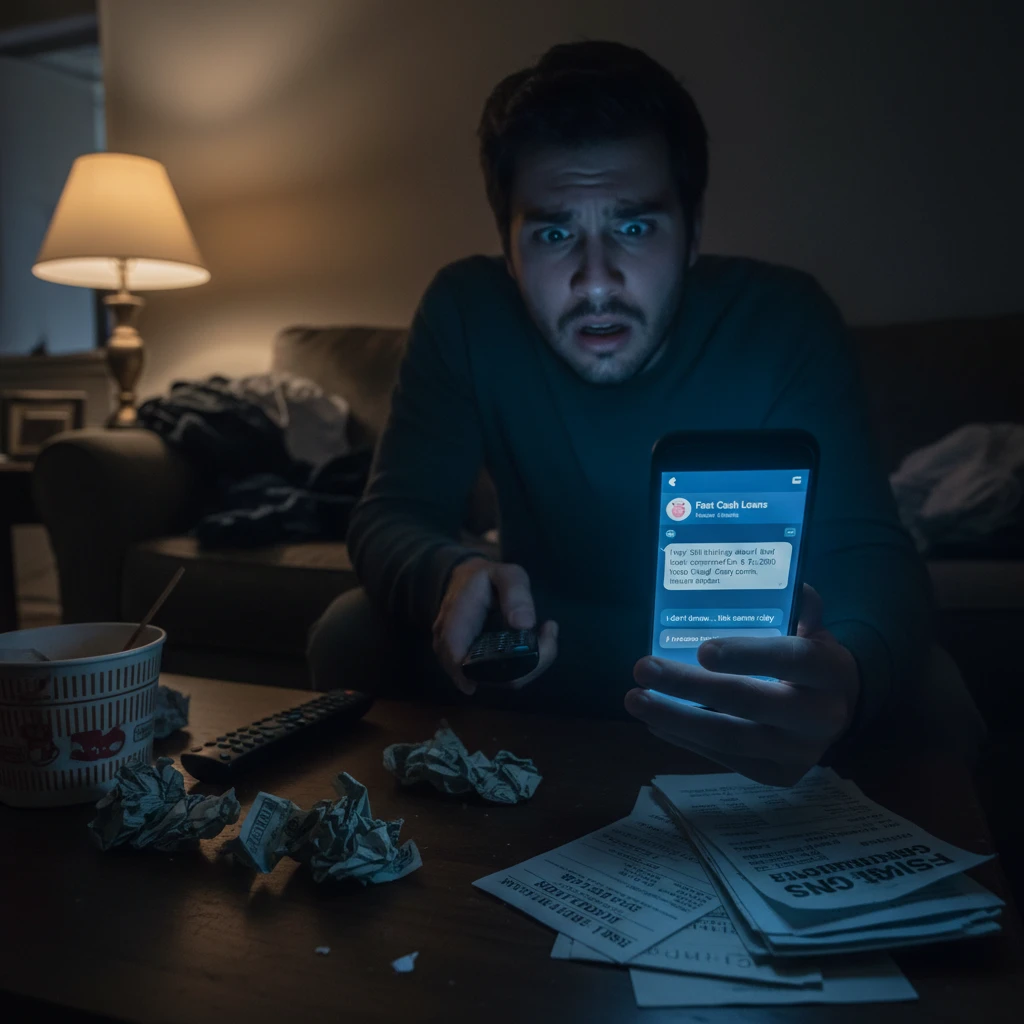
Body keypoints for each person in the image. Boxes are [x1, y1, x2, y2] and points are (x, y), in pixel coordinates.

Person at [309, 40, 978, 785]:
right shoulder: (467, 312)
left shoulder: (783, 319)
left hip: (731, 664)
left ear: (693, 234)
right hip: (551, 649)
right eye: (555, 233)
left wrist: (846, 674)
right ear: (508, 249)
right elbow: (392, 512)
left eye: (635, 227)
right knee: (350, 630)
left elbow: (868, 549)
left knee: (933, 694)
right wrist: (451, 573)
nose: (597, 282)